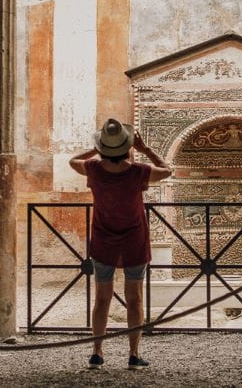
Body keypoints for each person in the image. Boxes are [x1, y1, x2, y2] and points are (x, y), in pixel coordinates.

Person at [68, 118, 172, 370]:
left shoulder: (93, 169)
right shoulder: (138, 172)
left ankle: (97, 352)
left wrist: (98, 149)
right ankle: (134, 354)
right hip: (134, 240)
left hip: (103, 239)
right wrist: (145, 149)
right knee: (134, 299)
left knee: (102, 298)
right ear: (127, 147)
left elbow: (72, 161)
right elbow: (167, 170)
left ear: (104, 148)